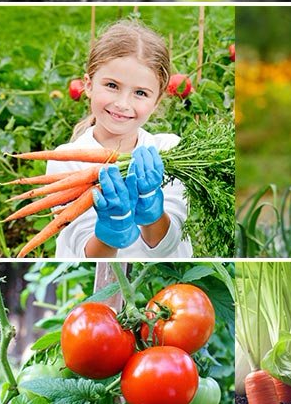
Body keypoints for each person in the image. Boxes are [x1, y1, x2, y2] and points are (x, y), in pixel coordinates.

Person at [47, 19, 193, 258]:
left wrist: (152, 213)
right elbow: (87, 257)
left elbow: (169, 246)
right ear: (89, 85)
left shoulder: (170, 150)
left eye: (140, 93)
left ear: (156, 102)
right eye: (112, 85)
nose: (123, 104)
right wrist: (111, 231)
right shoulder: (64, 161)